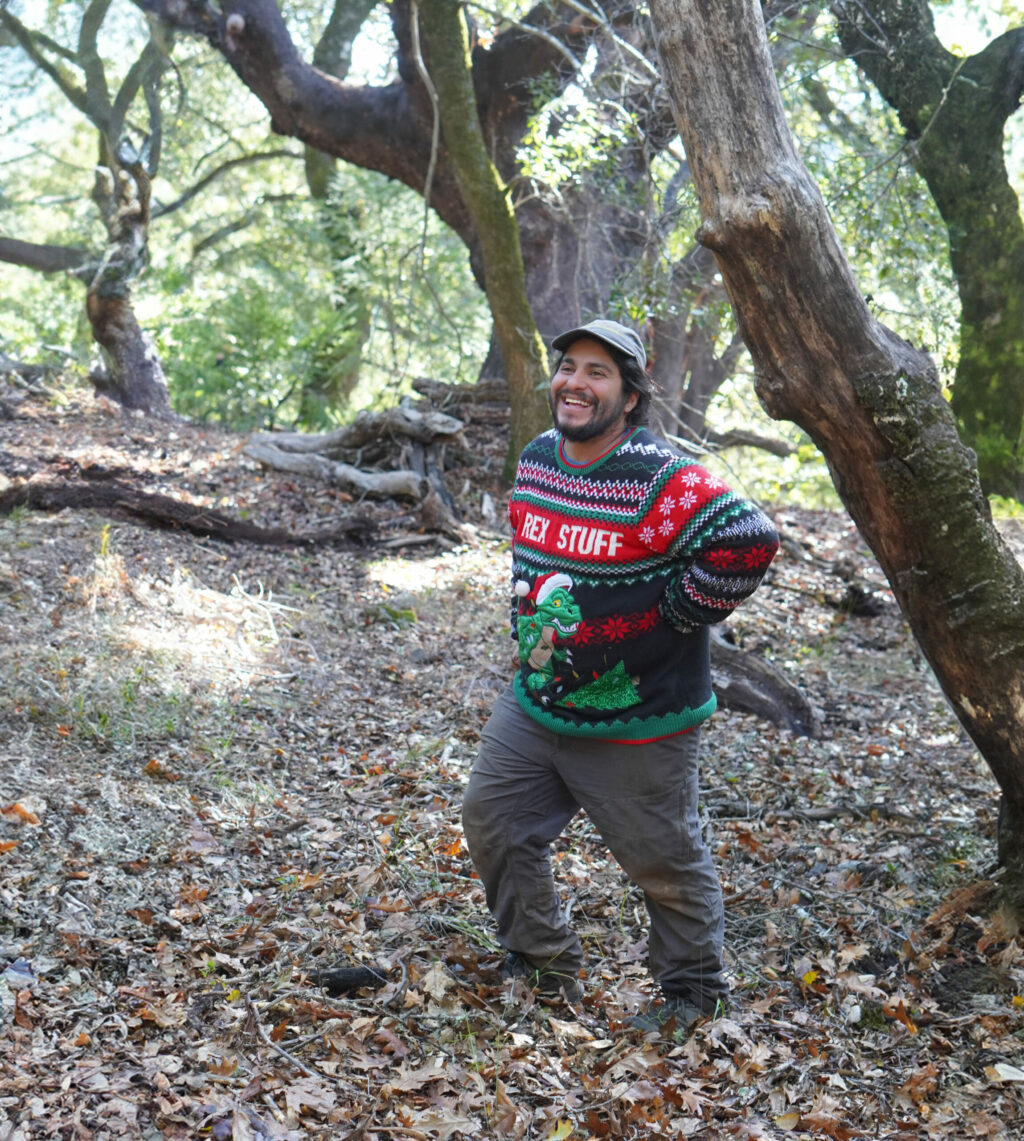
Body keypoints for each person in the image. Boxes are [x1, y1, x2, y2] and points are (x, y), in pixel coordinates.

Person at [461, 318, 779, 1031]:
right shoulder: (539, 457)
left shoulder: (660, 477)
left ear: (630, 396)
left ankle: (695, 995)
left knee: (663, 863)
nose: (575, 383)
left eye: (597, 372)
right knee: (495, 822)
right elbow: (532, 556)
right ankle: (541, 962)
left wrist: (679, 609)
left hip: (641, 718)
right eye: (568, 366)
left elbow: (749, 540)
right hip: (539, 703)